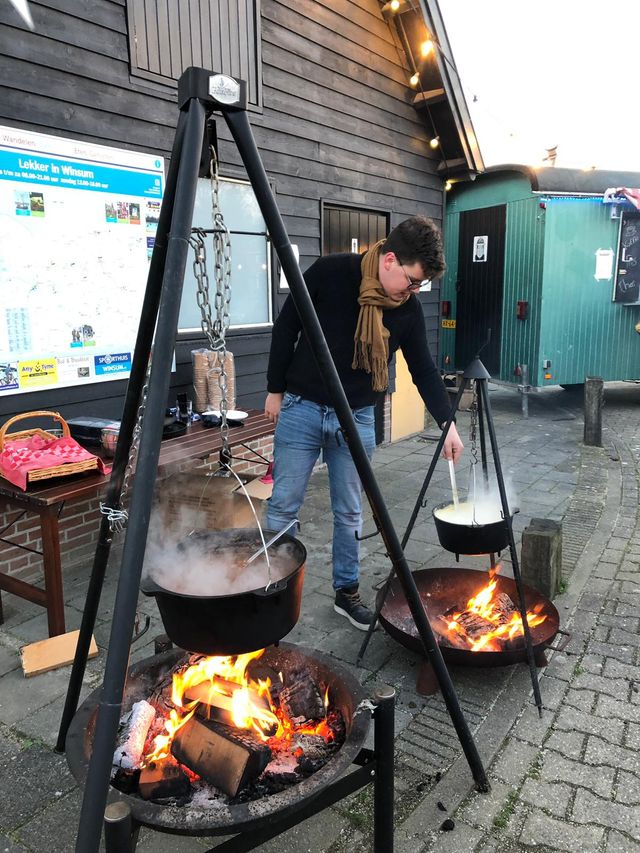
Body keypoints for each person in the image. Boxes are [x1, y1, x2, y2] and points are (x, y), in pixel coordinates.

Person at [264, 216, 463, 630]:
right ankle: (273, 591)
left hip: (356, 416)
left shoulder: (406, 310)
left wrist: (448, 422)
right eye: (412, 281)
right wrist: (274, 389)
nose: (414, 291)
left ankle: (346, 592)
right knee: (283, 506)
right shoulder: (330, 272)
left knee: (350, 511)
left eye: (420, 285)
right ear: (389, 260)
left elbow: (424, 369)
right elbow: (287, 327)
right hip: (302, 408)